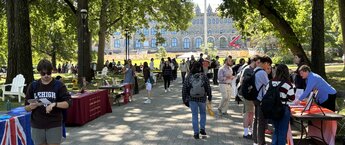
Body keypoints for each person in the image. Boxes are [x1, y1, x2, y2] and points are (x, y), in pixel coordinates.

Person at [24, 59, 71, 145]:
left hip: (54, 124)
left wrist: (55, 104)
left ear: (52, 71)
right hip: (37, 124)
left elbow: (68, 103)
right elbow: (26, 108)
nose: (46, 76)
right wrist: (31, 107)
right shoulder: (33, 85)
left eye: (49, 73)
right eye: (43, 73)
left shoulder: (59, 85)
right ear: (39, 72)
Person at [182, 62, 212, 139]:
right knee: (203, 114)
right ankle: (202, 129)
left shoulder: (189, 76)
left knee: (194, 115)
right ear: (200, 68)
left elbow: (184, 88)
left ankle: (196, 133)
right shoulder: (203, 76)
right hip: (202, 98)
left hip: (192, 99)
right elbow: (208, 86)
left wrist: (184, 99)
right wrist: (209, 96)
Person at [269, 64, 295, 145]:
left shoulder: (271, 82)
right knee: (282, 132)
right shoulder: (287, 84)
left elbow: (266, 95)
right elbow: (292, 98)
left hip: (273, 109)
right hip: (284, 108)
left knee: (276, 130)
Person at [238, 55, 260, 139]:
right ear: (253, 61)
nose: (259, 64)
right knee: (248, 113)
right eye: (258, 62)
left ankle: (249, 132)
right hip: (248, 95)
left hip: (250, 95)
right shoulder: (248, 69)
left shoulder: (250, 69)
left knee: (250, 113)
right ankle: (246, 133)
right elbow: (242, 81)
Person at [253, 55, 272, 145]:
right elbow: (268, 85)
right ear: (265, 63)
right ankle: (261, 142)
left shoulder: (255, 70)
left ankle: (255, 139)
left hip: (255, 97)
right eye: (268, 65)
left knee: (256, 119)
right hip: (261, 99)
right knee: (261, 122)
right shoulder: (262, 73)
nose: (268, 67)